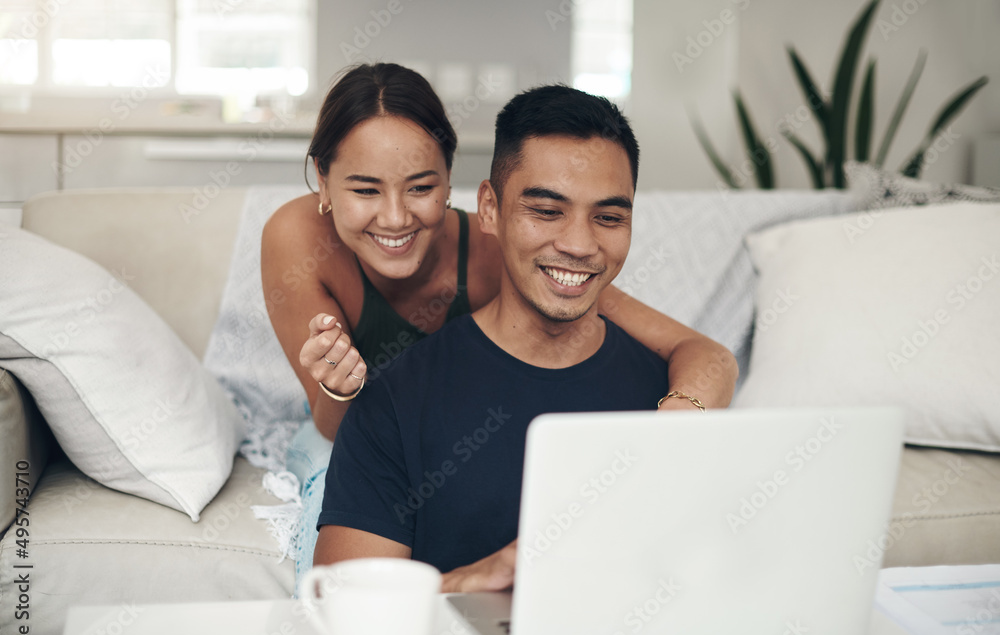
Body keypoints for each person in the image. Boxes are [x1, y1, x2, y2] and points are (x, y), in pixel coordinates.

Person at [261, 64, 738, 586]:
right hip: (346, 423)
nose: (396, 218)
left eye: (420, 187)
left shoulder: (502, 253)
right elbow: (337, 423)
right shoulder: (298, 240)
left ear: (449, 183)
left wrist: (675, 421)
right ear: (323, 180)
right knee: (330, 496)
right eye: (366, 190)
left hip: (440, 419)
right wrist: (339, 384)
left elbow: (696, 349)